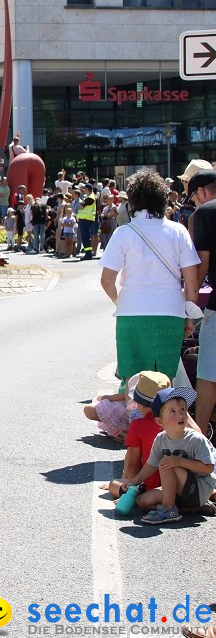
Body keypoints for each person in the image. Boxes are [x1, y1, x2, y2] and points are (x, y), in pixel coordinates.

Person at [99, 170, 201, 395]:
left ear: (132, 201)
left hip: (131, 311)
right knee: (165, 379)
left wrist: (119, 301)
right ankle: (165, 428)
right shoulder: (178, 231)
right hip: (170, 311)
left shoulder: (123, 233)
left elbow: (106, 280)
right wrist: (190, 317)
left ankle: (134, 426)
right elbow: (192, 280)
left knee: (132, 378)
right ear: (162, 199)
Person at [121, 388, 216, 524]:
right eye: (173, 412)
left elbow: (208, 468)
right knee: (143, 502)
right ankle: (190, 509)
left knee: (166, 462)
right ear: (160, 422)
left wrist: (179, 462)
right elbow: (151, 465)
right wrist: (134, 481)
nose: (180, 415)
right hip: (179, 491)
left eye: (183, 410)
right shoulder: (161, 439)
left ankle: (169, 509)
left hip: (199, 489)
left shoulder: (196, 439)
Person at [186, 169, 216, 439]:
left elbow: (201, 266)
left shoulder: (207, 212)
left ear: (202, 192)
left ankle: (200, 435)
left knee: (208, 372)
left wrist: (189, 310)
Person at [77, 183, 98, 260]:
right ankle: (88, 253)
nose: (83, 190)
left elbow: (80, 207)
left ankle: (88, 254)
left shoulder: (90, 198)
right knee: (85, 237)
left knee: (85, 237)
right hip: (85, 219)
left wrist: (81, 206)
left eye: (85, 188)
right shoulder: (88, 197)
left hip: (86, 219)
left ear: (87, 189)